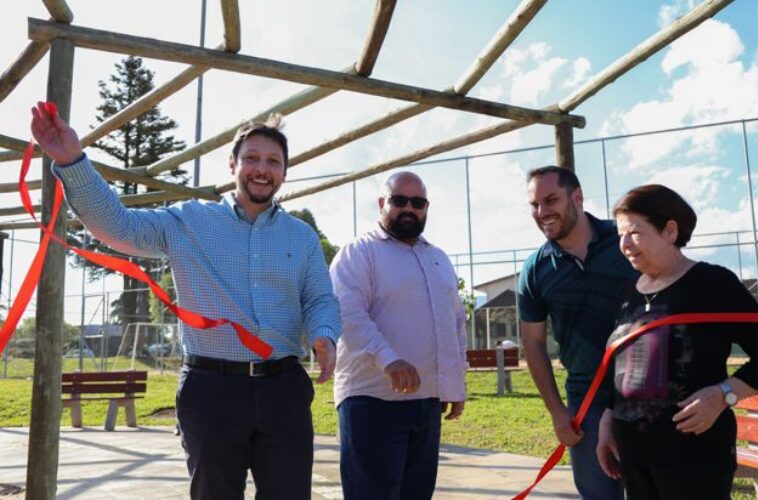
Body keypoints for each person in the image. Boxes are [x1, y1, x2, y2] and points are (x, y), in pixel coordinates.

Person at [30, 102, 341, 500]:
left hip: (284, 388)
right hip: (212, 390)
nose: (262, 168)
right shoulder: (189, 221)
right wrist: (73, 161)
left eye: (273, 161)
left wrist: (325, 334)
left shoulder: (302, 237)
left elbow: (319, 297)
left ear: (284, 171)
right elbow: (118, 226)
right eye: (252, 158)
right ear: (232, 165)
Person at [596, 184, 758, 500]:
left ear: (670, 231)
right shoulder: (626, 293)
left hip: (694, 457)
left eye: (634, 233)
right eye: (620, 235)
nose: (624, 244)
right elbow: (619, 364)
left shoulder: (713, 283)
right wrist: (607, 420)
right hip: (633, 452)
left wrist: (723, 395)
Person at [329, 171, 467, 500]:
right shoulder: (358, 253)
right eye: (399, 200)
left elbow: (455, 323)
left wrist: (455, 382)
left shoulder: (438, 258)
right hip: (373, 402)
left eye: (417, 203)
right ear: (381, 203)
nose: (409, 208)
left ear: (426, 208)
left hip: (427, 404)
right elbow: (347, 314)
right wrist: (388, 360)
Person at [518, 165, 636, 499]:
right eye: (534, 205)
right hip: (586, 402)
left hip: (646, 395)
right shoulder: (536, 269)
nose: (542, 212)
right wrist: (557, 412)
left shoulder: (626, 240)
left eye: (550, 200)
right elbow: (534, 343)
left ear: (578, 197)